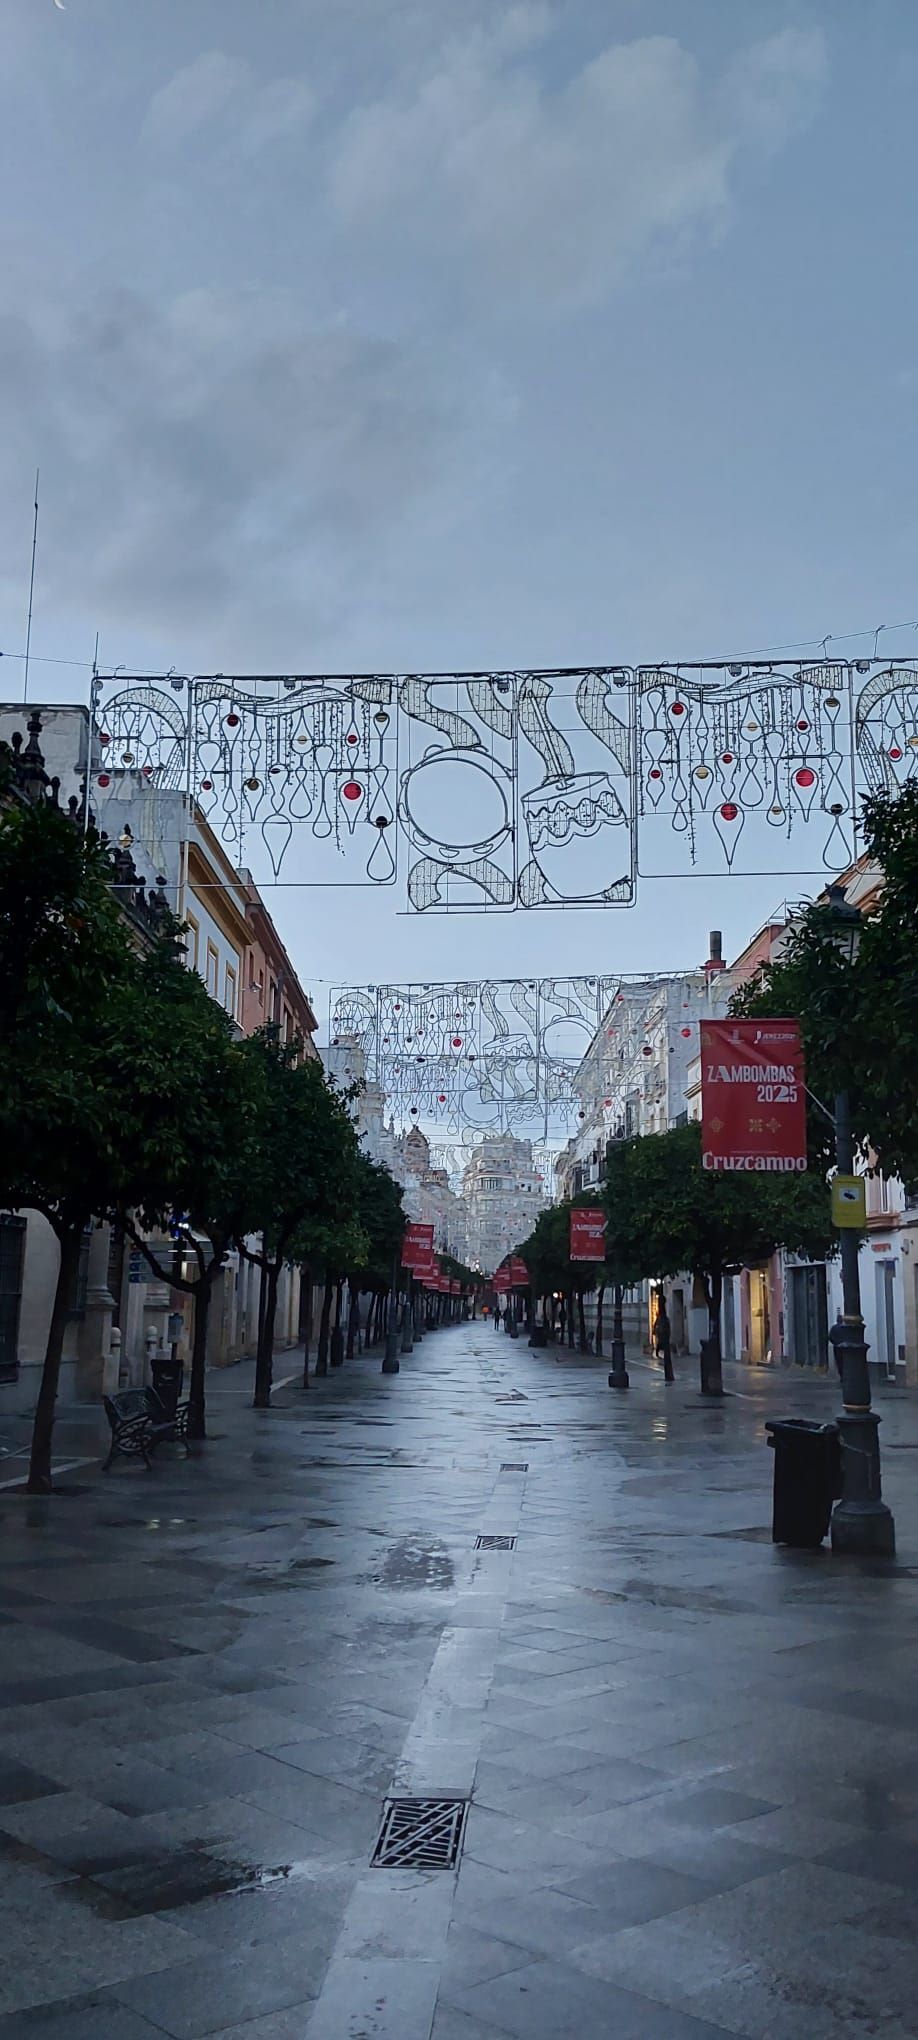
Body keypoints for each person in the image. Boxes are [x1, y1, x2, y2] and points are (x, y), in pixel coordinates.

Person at [653, 1298, 675, 1383]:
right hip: (663, 1336)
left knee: (661, 1346)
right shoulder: (663, 1318)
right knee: (663, 1348)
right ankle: (669, 1375)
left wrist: (656, 1331)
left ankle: (669, 1375)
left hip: (663, 1336)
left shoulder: (662, 1319)